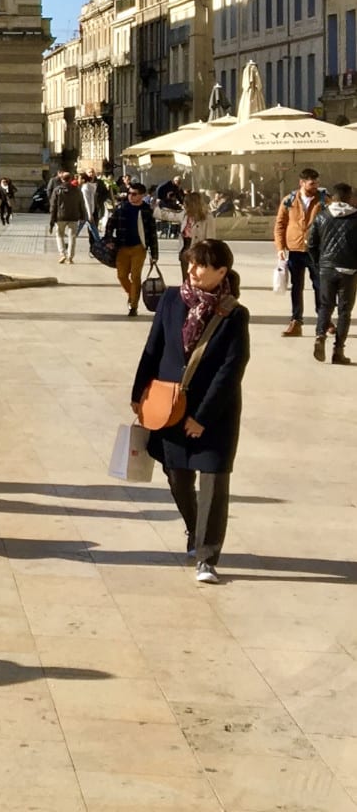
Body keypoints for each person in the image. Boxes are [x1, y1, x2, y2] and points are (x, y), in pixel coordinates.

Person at [131, 237, 249, 584]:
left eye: (200, 264)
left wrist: (203, 418)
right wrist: (139, 393)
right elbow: (153, 348)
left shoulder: (234, 314)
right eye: (190, 262)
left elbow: (232, 368)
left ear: (221, 271)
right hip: (168, 406)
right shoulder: (170, 299)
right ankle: (194, 528)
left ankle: (206, 556)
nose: (192, 270)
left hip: (214, 411)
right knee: (177, 474)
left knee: (212, 480)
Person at [274, 167, 327, 338]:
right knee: (296, 286)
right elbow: (280, 224)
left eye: (317, 183)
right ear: (302, 183)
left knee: (320, 285)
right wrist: (280, 247)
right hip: (295, 250)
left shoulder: (324, 199)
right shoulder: (289, 200)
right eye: (312, 183)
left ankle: (324, 320)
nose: (315, 186)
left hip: (316, 250)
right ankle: (296, 321)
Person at [308, 183, 357, 365]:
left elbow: (311, 244)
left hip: (326, 268)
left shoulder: (321, 217)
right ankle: (338, 351)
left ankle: (320, 335)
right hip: (349, 270)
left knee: (325, 306)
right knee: (345, 311)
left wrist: (319, 264)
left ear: (333, 197)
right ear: (349, 197)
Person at [106, 181, 159, 317]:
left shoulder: (147, 211)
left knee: (136, 277)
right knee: (121, 275)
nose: (130, 196)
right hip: (122, 247)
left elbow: (152, 233)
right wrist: (109, 239)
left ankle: (133, 306)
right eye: (129, 193)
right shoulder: (121, 208)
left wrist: (154, 254)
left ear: (142, 195)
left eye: (134, 194)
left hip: (139, 248)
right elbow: (110, 225)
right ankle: (133, 293)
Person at [49, 174, 86, 264]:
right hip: (73, 216)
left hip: (60, 217)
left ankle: (62, 254)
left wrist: (52, 220)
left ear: (62, 179)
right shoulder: (77, 190)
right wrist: (83, 216)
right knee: (72, 237)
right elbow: (82, 203)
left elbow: (53, 206)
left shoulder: (57, 190)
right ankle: (70, 257)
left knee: (59, 235)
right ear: (71, 179)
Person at [179, 191, 216, 280]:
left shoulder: (207, 217)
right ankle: (187, 292)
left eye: (186, 203)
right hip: (185, 246)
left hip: (198, 248)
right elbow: (170, 215)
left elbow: (210, 237)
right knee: (186, 275)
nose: (184, 205)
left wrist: (207, 253)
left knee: (197, 275)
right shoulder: (185, 215)